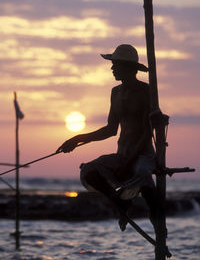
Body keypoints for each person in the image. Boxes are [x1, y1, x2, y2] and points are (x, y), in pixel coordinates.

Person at [57, 44, 157, 231]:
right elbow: (110, 130)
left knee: (145, 177)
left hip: (142, 155)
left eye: (115, 65)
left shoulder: (146, 91)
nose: (111, 69)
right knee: (89, 171)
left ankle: (158, 224)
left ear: (128, 68)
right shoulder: (115, 92)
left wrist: (131, 161)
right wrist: (76, 139)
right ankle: (120, 202)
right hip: (122, 154)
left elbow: (146, 132)